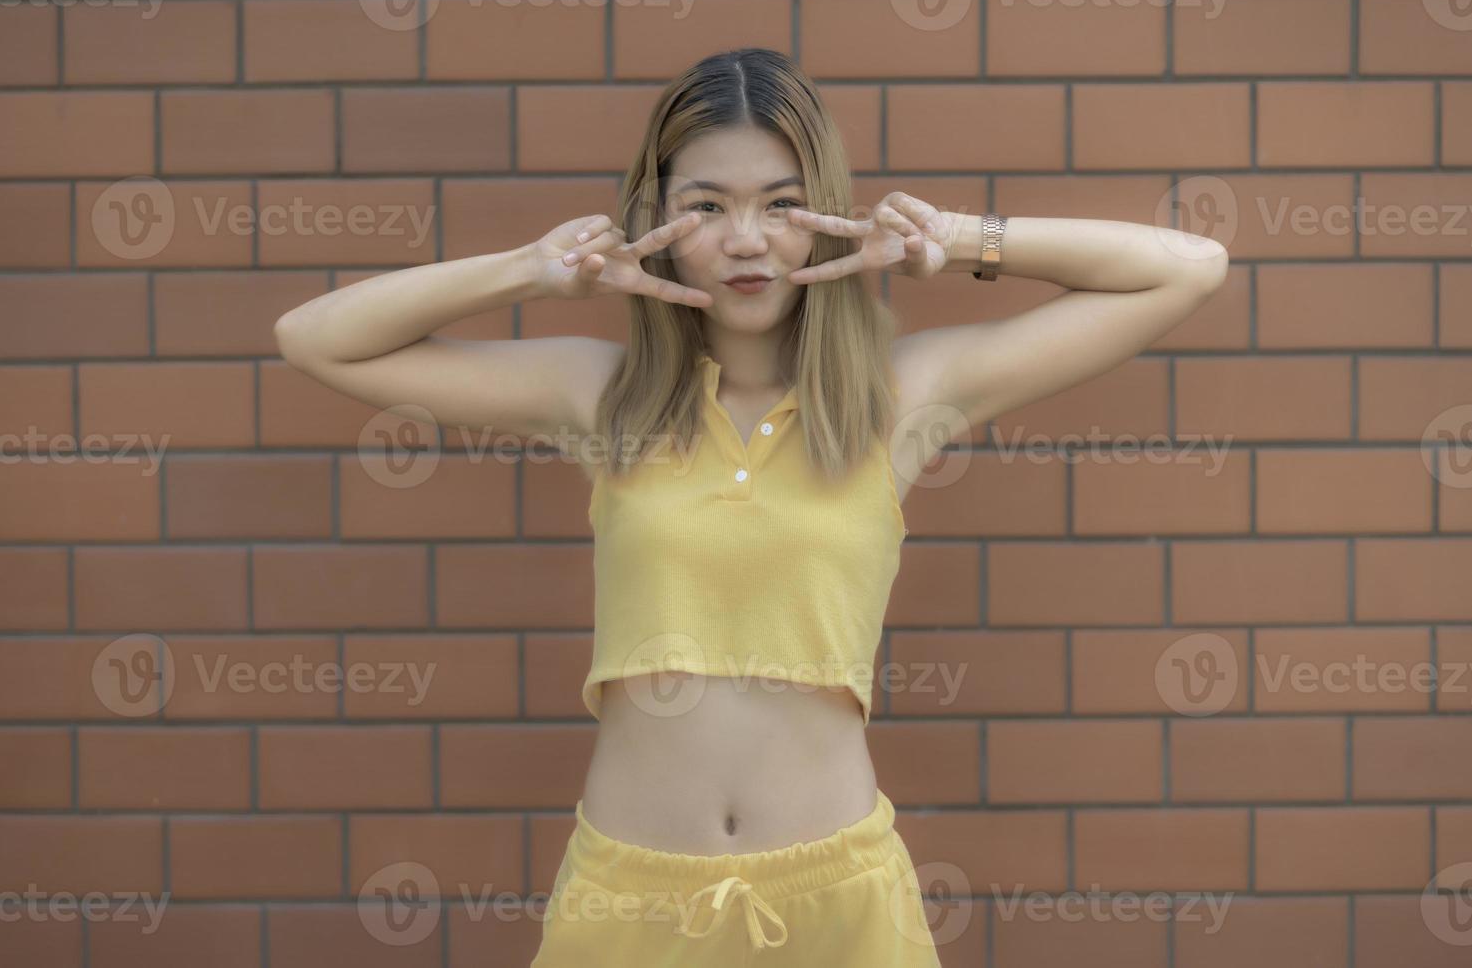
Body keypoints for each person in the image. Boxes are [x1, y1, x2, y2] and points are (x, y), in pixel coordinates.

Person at [274, 47, 1228, 968]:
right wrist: (531, 268)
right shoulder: (598, 396)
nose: (744, 240)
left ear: (825, 215)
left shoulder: (900, 399)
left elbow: (1186, 267)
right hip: (628, 897)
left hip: (840, 899)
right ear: (654, 216)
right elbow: (318, 339)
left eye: (780, 206)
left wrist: (958, 242)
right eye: (706, 206)